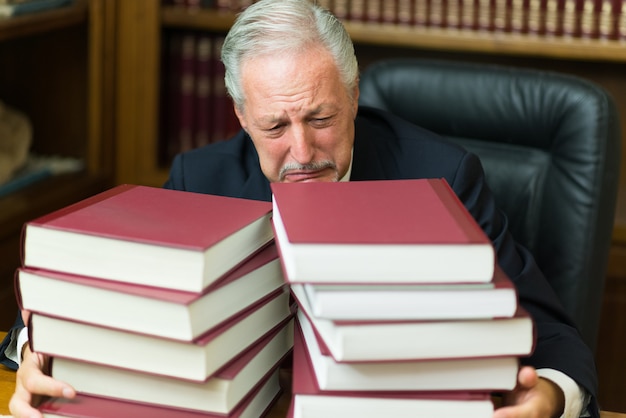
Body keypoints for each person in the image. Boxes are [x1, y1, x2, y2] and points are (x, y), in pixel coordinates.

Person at [2, 0, 599, 417]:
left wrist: (551, 396)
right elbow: (120, 309)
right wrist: (39, 352)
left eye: (321, 117)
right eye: (274, 126)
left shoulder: (444, 175)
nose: (303, 151)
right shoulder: (202, 179)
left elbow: (551, 333)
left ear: (355, 95)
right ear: (240, 117)